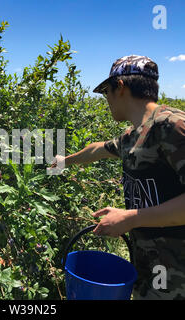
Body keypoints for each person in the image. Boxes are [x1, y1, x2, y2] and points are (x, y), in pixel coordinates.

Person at [51, 55, 185, 300]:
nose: (106, 101)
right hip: (151, 271)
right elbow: (98, 149)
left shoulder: (171, 126)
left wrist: (130, 217)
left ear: (120, 88)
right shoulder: (134, 135)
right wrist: (64, 161)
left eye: (106, 93)